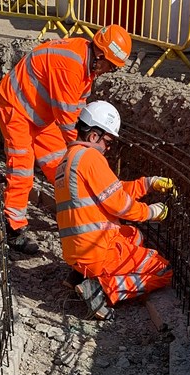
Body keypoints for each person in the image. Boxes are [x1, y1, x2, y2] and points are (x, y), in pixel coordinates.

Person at [0, 25, 132, 254]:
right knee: (22, 168)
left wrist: (81, 147)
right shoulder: (71, 65)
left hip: (41, 116)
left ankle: (75, 218)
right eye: (112, 66)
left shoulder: (87, 67)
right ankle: (13, 228)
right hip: (16, 108)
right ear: (101, 56)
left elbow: (78, 110)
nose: (110, 71)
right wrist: (86, 152)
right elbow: (67, 120)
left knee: (61, 166)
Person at [53, 101, 178, 320]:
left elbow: (112, 190)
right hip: (98, 251)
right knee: (163, 270)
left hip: (79, 251)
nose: (108, 148)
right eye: (107, 142)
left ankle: (79, 276)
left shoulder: (68, 161)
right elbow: (120, 204)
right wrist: (151, 212)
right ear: (93, 136)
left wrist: (147, 183)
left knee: (135, 236)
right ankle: (102, 289)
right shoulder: (90, 158)